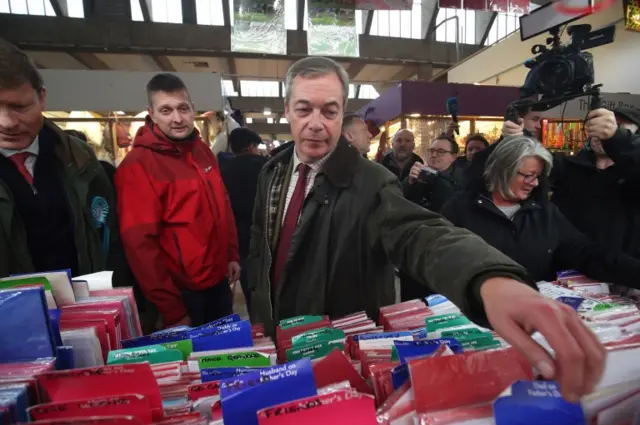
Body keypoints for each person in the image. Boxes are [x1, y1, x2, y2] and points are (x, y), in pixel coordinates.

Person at [248, 56, 604, 403]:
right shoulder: (273, 171)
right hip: (277, 338)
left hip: (336, 351)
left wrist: (488, 279)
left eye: (329, 111)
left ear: (342, 113)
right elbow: (261, 246)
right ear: (286, 110)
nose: (316, 123)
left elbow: (420, 233)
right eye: (303, 109)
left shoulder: (372, 182)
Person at [115, 73, 240, 328]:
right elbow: (140, 245)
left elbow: (222, 204)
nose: (177, 118)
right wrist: (172, 309)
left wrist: (231, 254)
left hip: (217, 285)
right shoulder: (138, 166)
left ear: (193, 108)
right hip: (183, 295)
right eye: (166, 110)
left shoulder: (202, 151)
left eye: (183, 108)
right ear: (151, 113)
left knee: (228, 355)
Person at [441, 136, 640, 287]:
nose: (534, 183)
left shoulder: (545, 213)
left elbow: (587, 253)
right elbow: (437, 264)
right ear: (503, 169)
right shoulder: (459, 210)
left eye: (538, 176)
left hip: (532, 318)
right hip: (471, 319)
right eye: (528, 175)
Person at [0, 41, 123, 280]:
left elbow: (111, 237)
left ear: (42, 97)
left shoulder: (79, 158)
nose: (7, 122)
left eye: (19, 107)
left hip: (86, 306)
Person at [502, 107, 640, 262]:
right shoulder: (570, 166)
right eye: (598, 123)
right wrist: (519, 137)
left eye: (617, 126)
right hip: (565, 269)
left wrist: (616, 138)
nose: (603, 130)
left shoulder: (632, 174)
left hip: (623, 270)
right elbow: (537, 162)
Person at [220, 127, 268, 313]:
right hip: (265, 235)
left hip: (237, 236)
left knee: (248, 284)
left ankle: (256, 323)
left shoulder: (222, 169)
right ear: (251, 146)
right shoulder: (266, 166)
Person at [403, 134, 464, 213]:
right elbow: (400, 200)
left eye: (441, 152)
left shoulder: (462, 179)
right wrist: (409, 183)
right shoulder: (419, 174)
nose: (434, 155)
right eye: (431, 151)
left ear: (453, 157)